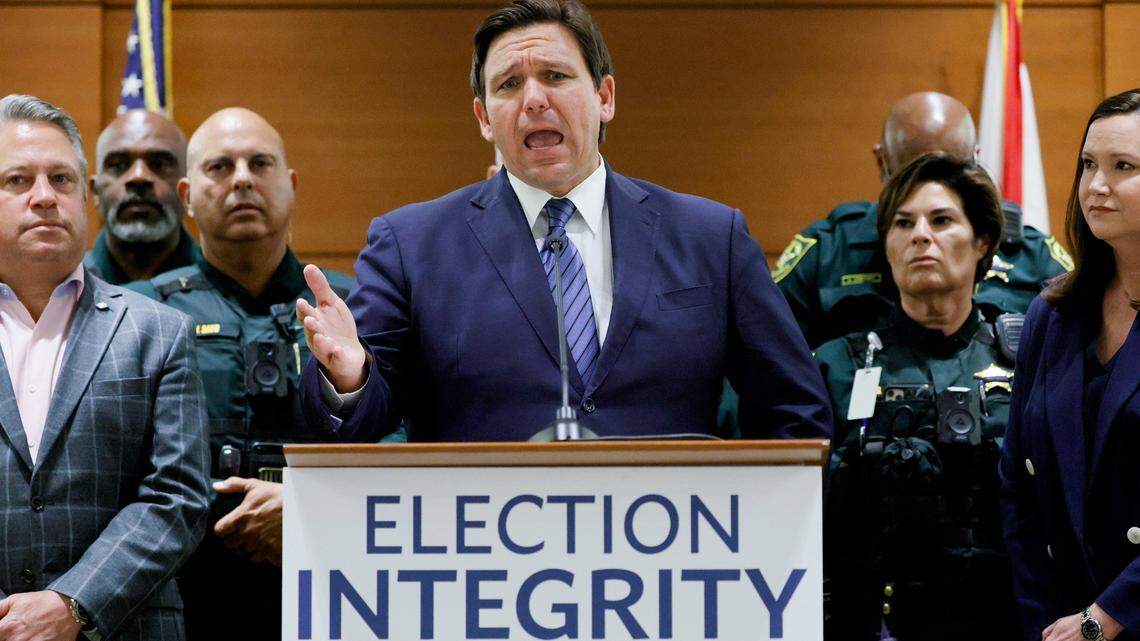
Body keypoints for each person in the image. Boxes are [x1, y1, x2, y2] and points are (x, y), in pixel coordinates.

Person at [297, 0, 832, 442]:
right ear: (484, 118)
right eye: (508, 85)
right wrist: (349, 377)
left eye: (555, 76)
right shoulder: (411, 246)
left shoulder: (712, 238)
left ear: (605, 97)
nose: (533, 100)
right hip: (483, 554)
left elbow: (796, 415)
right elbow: (356, 429)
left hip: (674, 550)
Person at [127, 107, 354, 641]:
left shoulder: (356, 304)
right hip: (185, 589)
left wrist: (303, 510)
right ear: (185, 195)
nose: (243, 179)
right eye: (220, 167)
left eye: (260, 163)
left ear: (291, 185)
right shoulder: (139, 313)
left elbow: (399, 441)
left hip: (332, 580)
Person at [0, 94, 209, 640]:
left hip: (123, 627)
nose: (44, 197)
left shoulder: (159, 331)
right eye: (18, 180)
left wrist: (72, 603)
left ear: (85, 197)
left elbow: (178, 497)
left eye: (62, 180)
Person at [817, 154, 1020, 640]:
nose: (920, 235)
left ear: (983, 242)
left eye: (942, 220)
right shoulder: (837, 365)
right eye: (903, 224)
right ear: (886, 246)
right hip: (872, 619)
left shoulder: (1030, 364)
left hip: (1005, 617)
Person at [1000, 89, 1140, 641]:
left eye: (1122, 167)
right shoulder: (1053, 313)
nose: (1096, 186)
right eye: (1088, 165)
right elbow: (1018, 482)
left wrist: (1105, 619)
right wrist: (1048, 620)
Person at [774, 91, 1072, 349]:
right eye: (912, 173)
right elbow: (766, 359)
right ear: (882, 162)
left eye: (949, 170)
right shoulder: (827, 251)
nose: (930, 187)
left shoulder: (1034, 256)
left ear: (975, 163)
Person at [85, 109, 200, 285]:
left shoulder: (227, 289)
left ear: (188, 192)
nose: (139, 176)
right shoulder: (60, 287)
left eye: (159, 164)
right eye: (118, 165)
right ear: (95, 192)